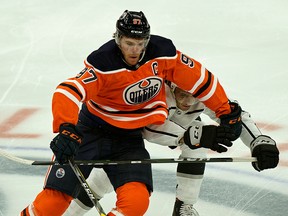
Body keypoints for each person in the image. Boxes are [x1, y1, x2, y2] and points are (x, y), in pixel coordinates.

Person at [21, 10, 243, 216]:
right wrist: (66, 128)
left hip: (128, 140)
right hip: (90, 133)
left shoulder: (164, 54)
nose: (135, 50)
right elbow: (68, 90)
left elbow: (202, 79)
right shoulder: (103, 63)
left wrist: (225, 111)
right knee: (53, 203)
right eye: (129, 43)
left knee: (136, 202)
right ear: (118, 39)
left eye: (140, 43)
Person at [63, 83, 279, 216]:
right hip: (130, 132)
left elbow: (236, 117)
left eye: (193, 96)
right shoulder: (155, 90)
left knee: (197, 147)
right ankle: (71, 212)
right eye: (182, 94)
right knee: (106, 178)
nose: (187, 102)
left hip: (175, 132)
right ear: (171, 85)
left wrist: (258, 141)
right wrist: (189, 135)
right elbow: (149, 128)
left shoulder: (204, 92)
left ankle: (183, 207)